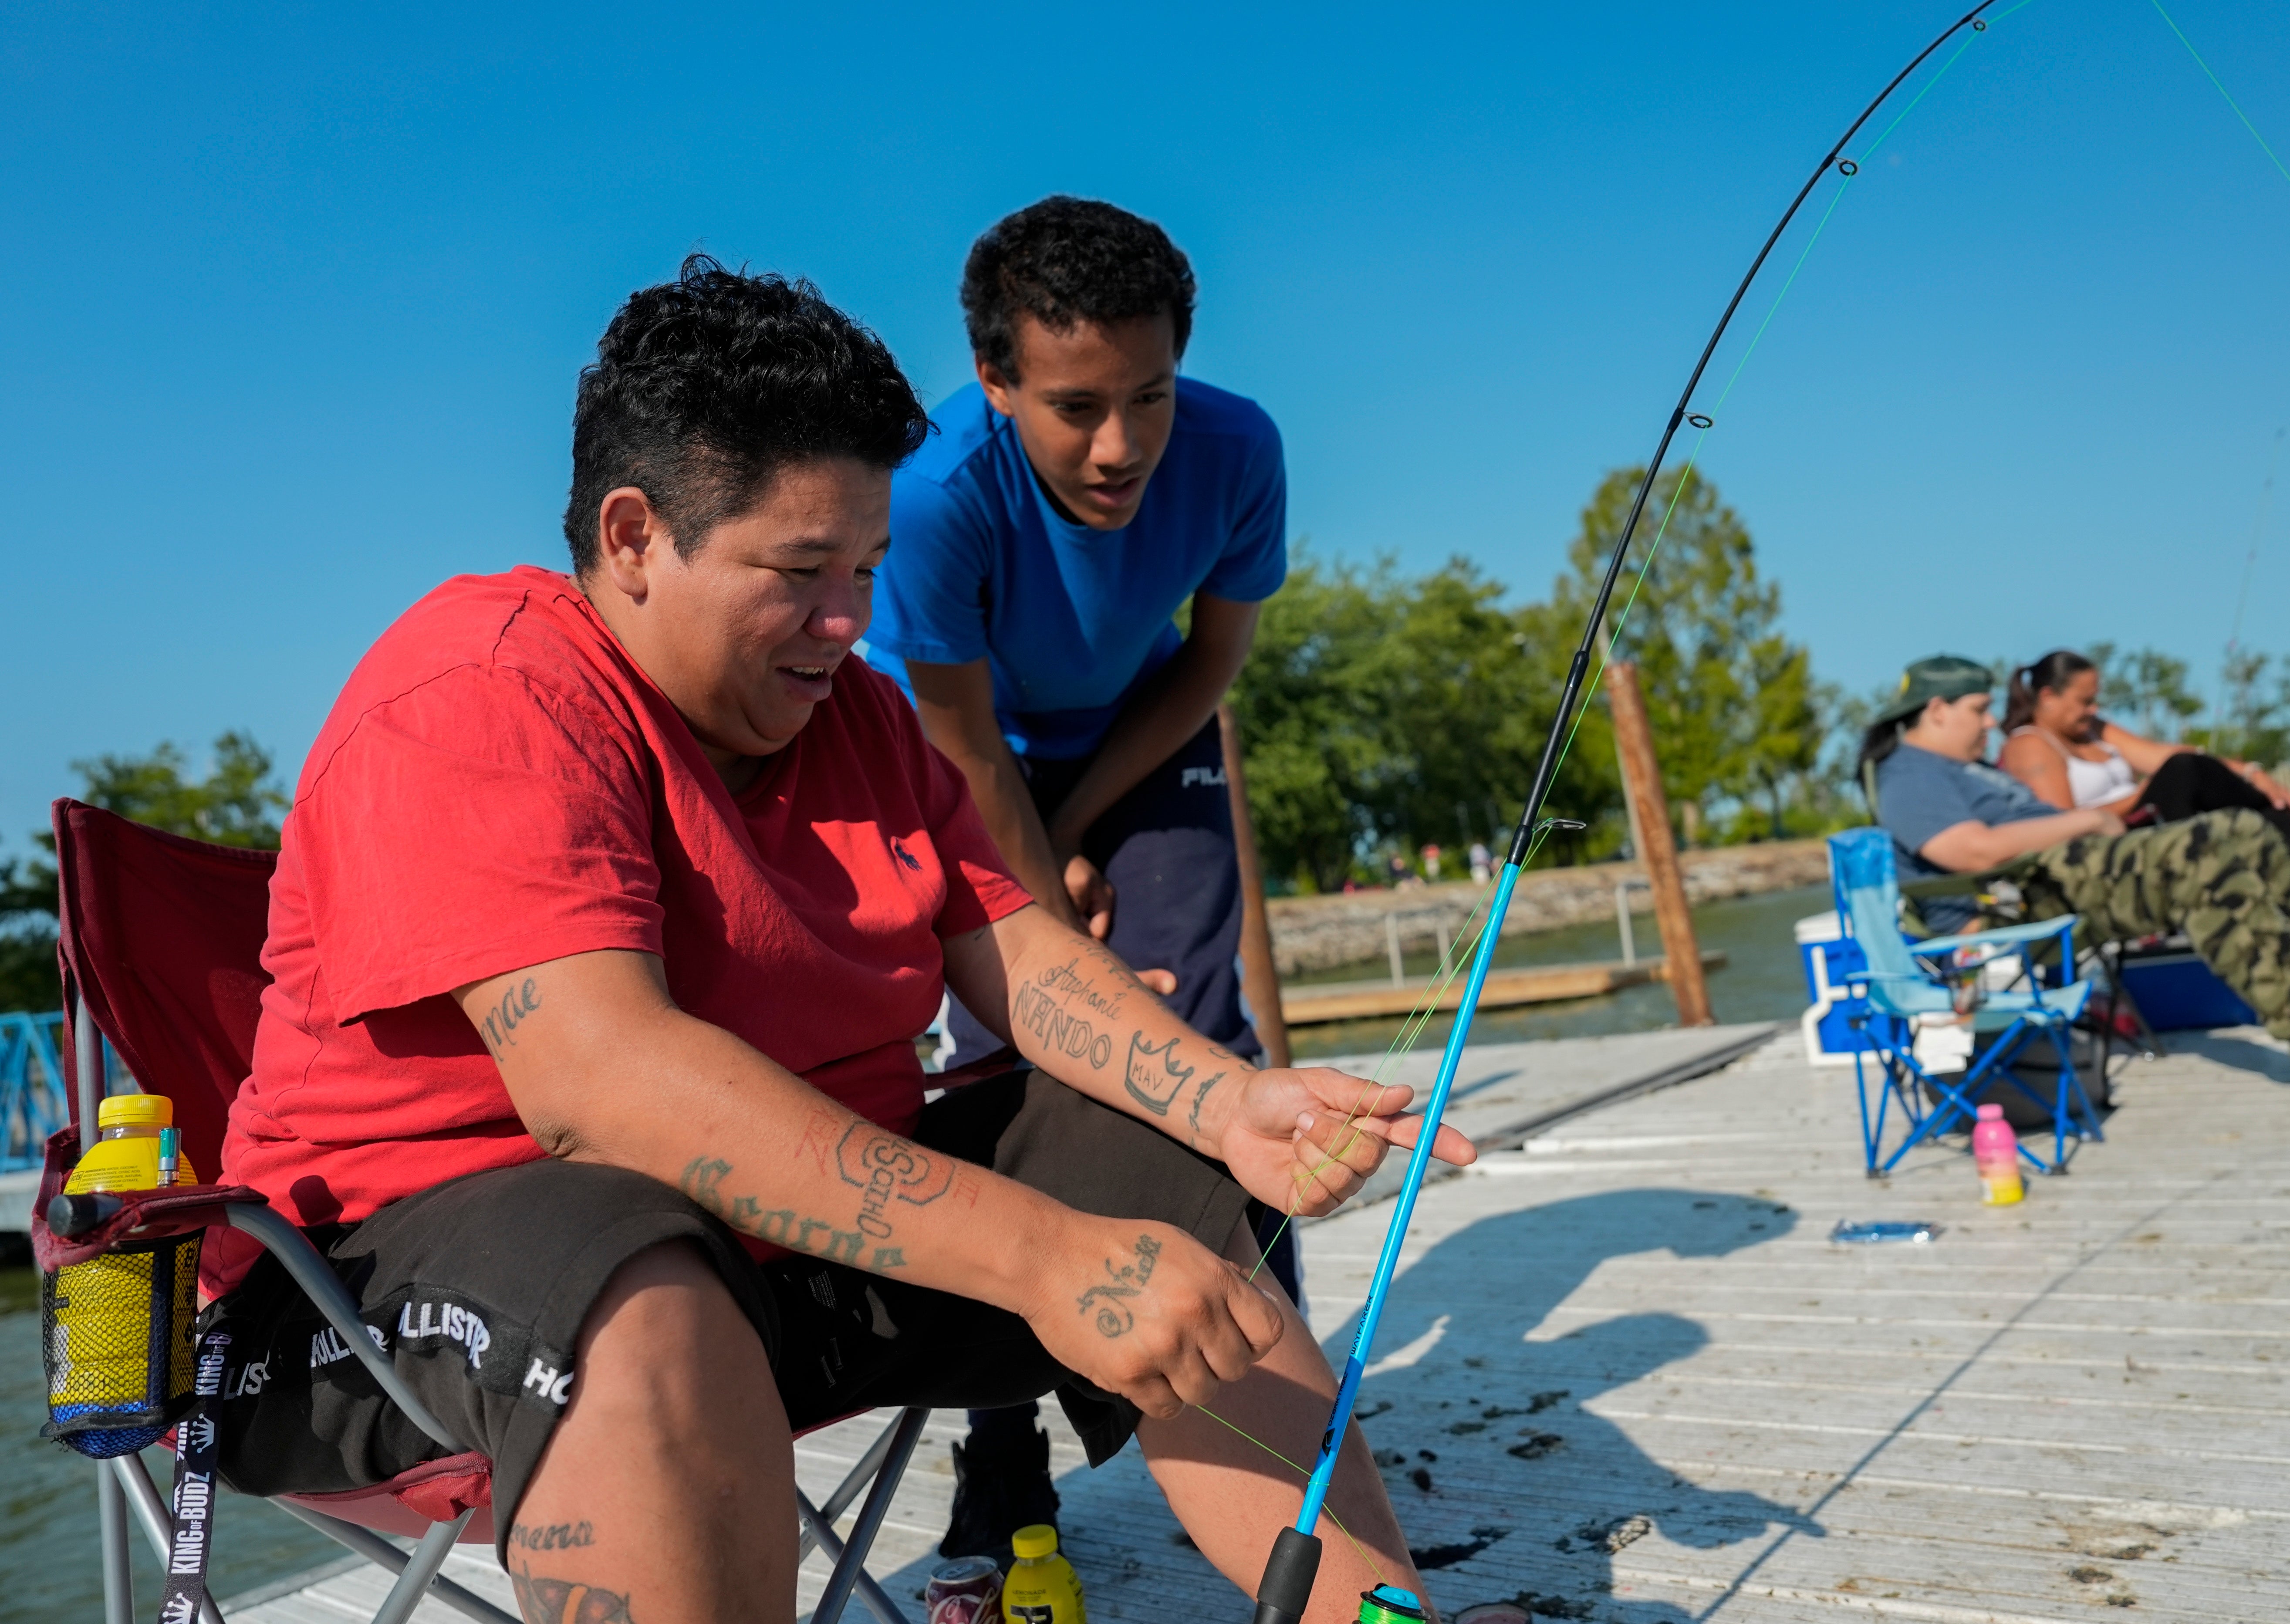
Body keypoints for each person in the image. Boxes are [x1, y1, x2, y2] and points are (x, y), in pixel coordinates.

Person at [199, 258, 1470, 1624]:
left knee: (1152, 1163)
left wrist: (1233, 1100)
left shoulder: (854, 716)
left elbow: (1020, 952)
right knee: (631, 1271)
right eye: (802, 572)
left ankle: (1376, 1617)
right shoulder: (482, 689)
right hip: (372, 1304)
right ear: (632, 537)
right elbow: (602, 1085)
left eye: (865, 567)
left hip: (772, 1264)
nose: (851, 623)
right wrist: (1044, 1257)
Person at [864, 197, 1300, 1557]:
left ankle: (1284, 1420)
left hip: (1136, 738)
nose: (1120, 447)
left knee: (1206, 1056)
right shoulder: (933, 489)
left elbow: (1208, 667)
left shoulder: (1237, 450)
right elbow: (959, 745)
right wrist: (1062, 941)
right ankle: (1003, 1445)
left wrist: (1087, 818)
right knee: (1024, 1064)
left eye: (1149, 395)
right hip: (961, 758)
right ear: (996, 383)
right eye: (1073, 407)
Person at [1859, 655, 2290, 1107]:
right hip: (2025, 901)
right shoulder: (1908, 773)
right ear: (1936, 709)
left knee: (2242, 828)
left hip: (2067, 875)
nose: (1990, 720)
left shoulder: (1965, 768)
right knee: (2203, 858)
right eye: (1979, 709)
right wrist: (2084, 819)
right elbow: (1966, 850)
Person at [1996, 649, 2290, 859]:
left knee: (2190, 766)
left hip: (2148, 823)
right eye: (2085, 701)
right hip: (2109, 847)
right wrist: (2141, 797)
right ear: (2049, 697)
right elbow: (2062, 825)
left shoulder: (2093, 728)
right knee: (2181, 771)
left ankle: (2278, 813)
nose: (2094, 709)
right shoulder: (2029, 745)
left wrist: (2249, 773)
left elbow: (2162, 755)